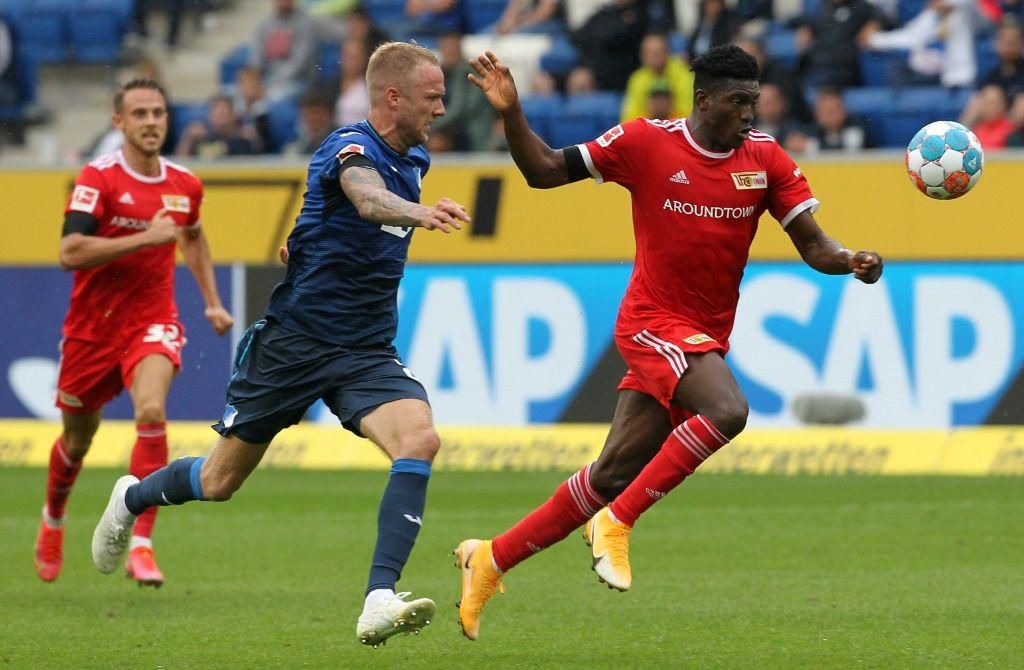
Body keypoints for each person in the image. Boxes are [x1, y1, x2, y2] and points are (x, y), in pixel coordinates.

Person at [454, 45, 883, 640]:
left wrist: (850, 258)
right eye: (738, 102)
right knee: (728, 410)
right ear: (704, 100)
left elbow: (814, 244)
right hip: (651, 322)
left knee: (609, 473)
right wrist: (512, 113)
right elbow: (544, 171)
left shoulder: (765, 158)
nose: (749, 114)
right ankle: (618, 523)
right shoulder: (645, 142)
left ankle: (489, 559)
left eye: (754, 102)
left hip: (703, 338)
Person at [91, 42, 471, 648]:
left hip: (365, 349)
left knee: (420, 439)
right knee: (219, 481)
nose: (442, 109)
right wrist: (419, 213)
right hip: (295, 343)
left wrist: (302, 244)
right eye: (433, 97)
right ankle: (131, 497)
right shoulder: (348, 147)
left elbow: (318, 216)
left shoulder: (416, 157)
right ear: (393, 96)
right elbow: (365, 198)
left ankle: (378, 598)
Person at [34, 78, 233, 586]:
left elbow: (193, 237)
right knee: (77, 440)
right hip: (92, 330)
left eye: (158, 113)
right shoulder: (98, 179)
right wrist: (145, 237)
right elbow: (69, 252)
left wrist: (212, 301)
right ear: (119, 122)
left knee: (150, 410)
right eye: (140, 113)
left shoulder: (185, 184)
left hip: (152, 320)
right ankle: (53, 519)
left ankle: (141, 543)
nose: (150, 122)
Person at [251, 0, 319, 100]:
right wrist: (254, 82)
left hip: (297, 80)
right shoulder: (264, 25)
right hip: (267, 80)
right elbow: (256, 60)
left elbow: (299, 63)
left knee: (271, 98)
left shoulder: (305, 24)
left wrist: (269, 85)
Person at [621, 32, 694, 122]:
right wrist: (651, 116)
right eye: (649, 52)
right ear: (642, 56)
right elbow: (628, 118)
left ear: (668, 52)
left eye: (658, 51)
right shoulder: (637, 78)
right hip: (648, 127)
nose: (654, 56)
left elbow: (689, 117)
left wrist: (666, 114)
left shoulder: (684, 74)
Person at [175, 95, 264, 158]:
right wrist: (188, 139)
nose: (221, 120)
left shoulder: (243, 138)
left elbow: (260, 162)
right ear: (210, 116)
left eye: (224, 114)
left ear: (234, 115)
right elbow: (180, 163)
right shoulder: (199, 137)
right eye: (218, 115)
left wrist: (254, 140)